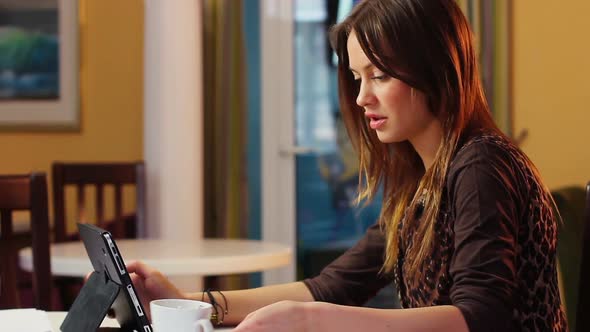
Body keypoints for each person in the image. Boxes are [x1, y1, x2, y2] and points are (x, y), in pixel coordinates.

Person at [125, 0, 567, 331]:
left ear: (435, 69)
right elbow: (333, 286)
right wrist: (191, 302)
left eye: (379, 76)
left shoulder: (481, 165)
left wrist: (313, 319)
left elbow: (480, 316)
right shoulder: (420, 180)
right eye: (358, 78)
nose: (361, 98)